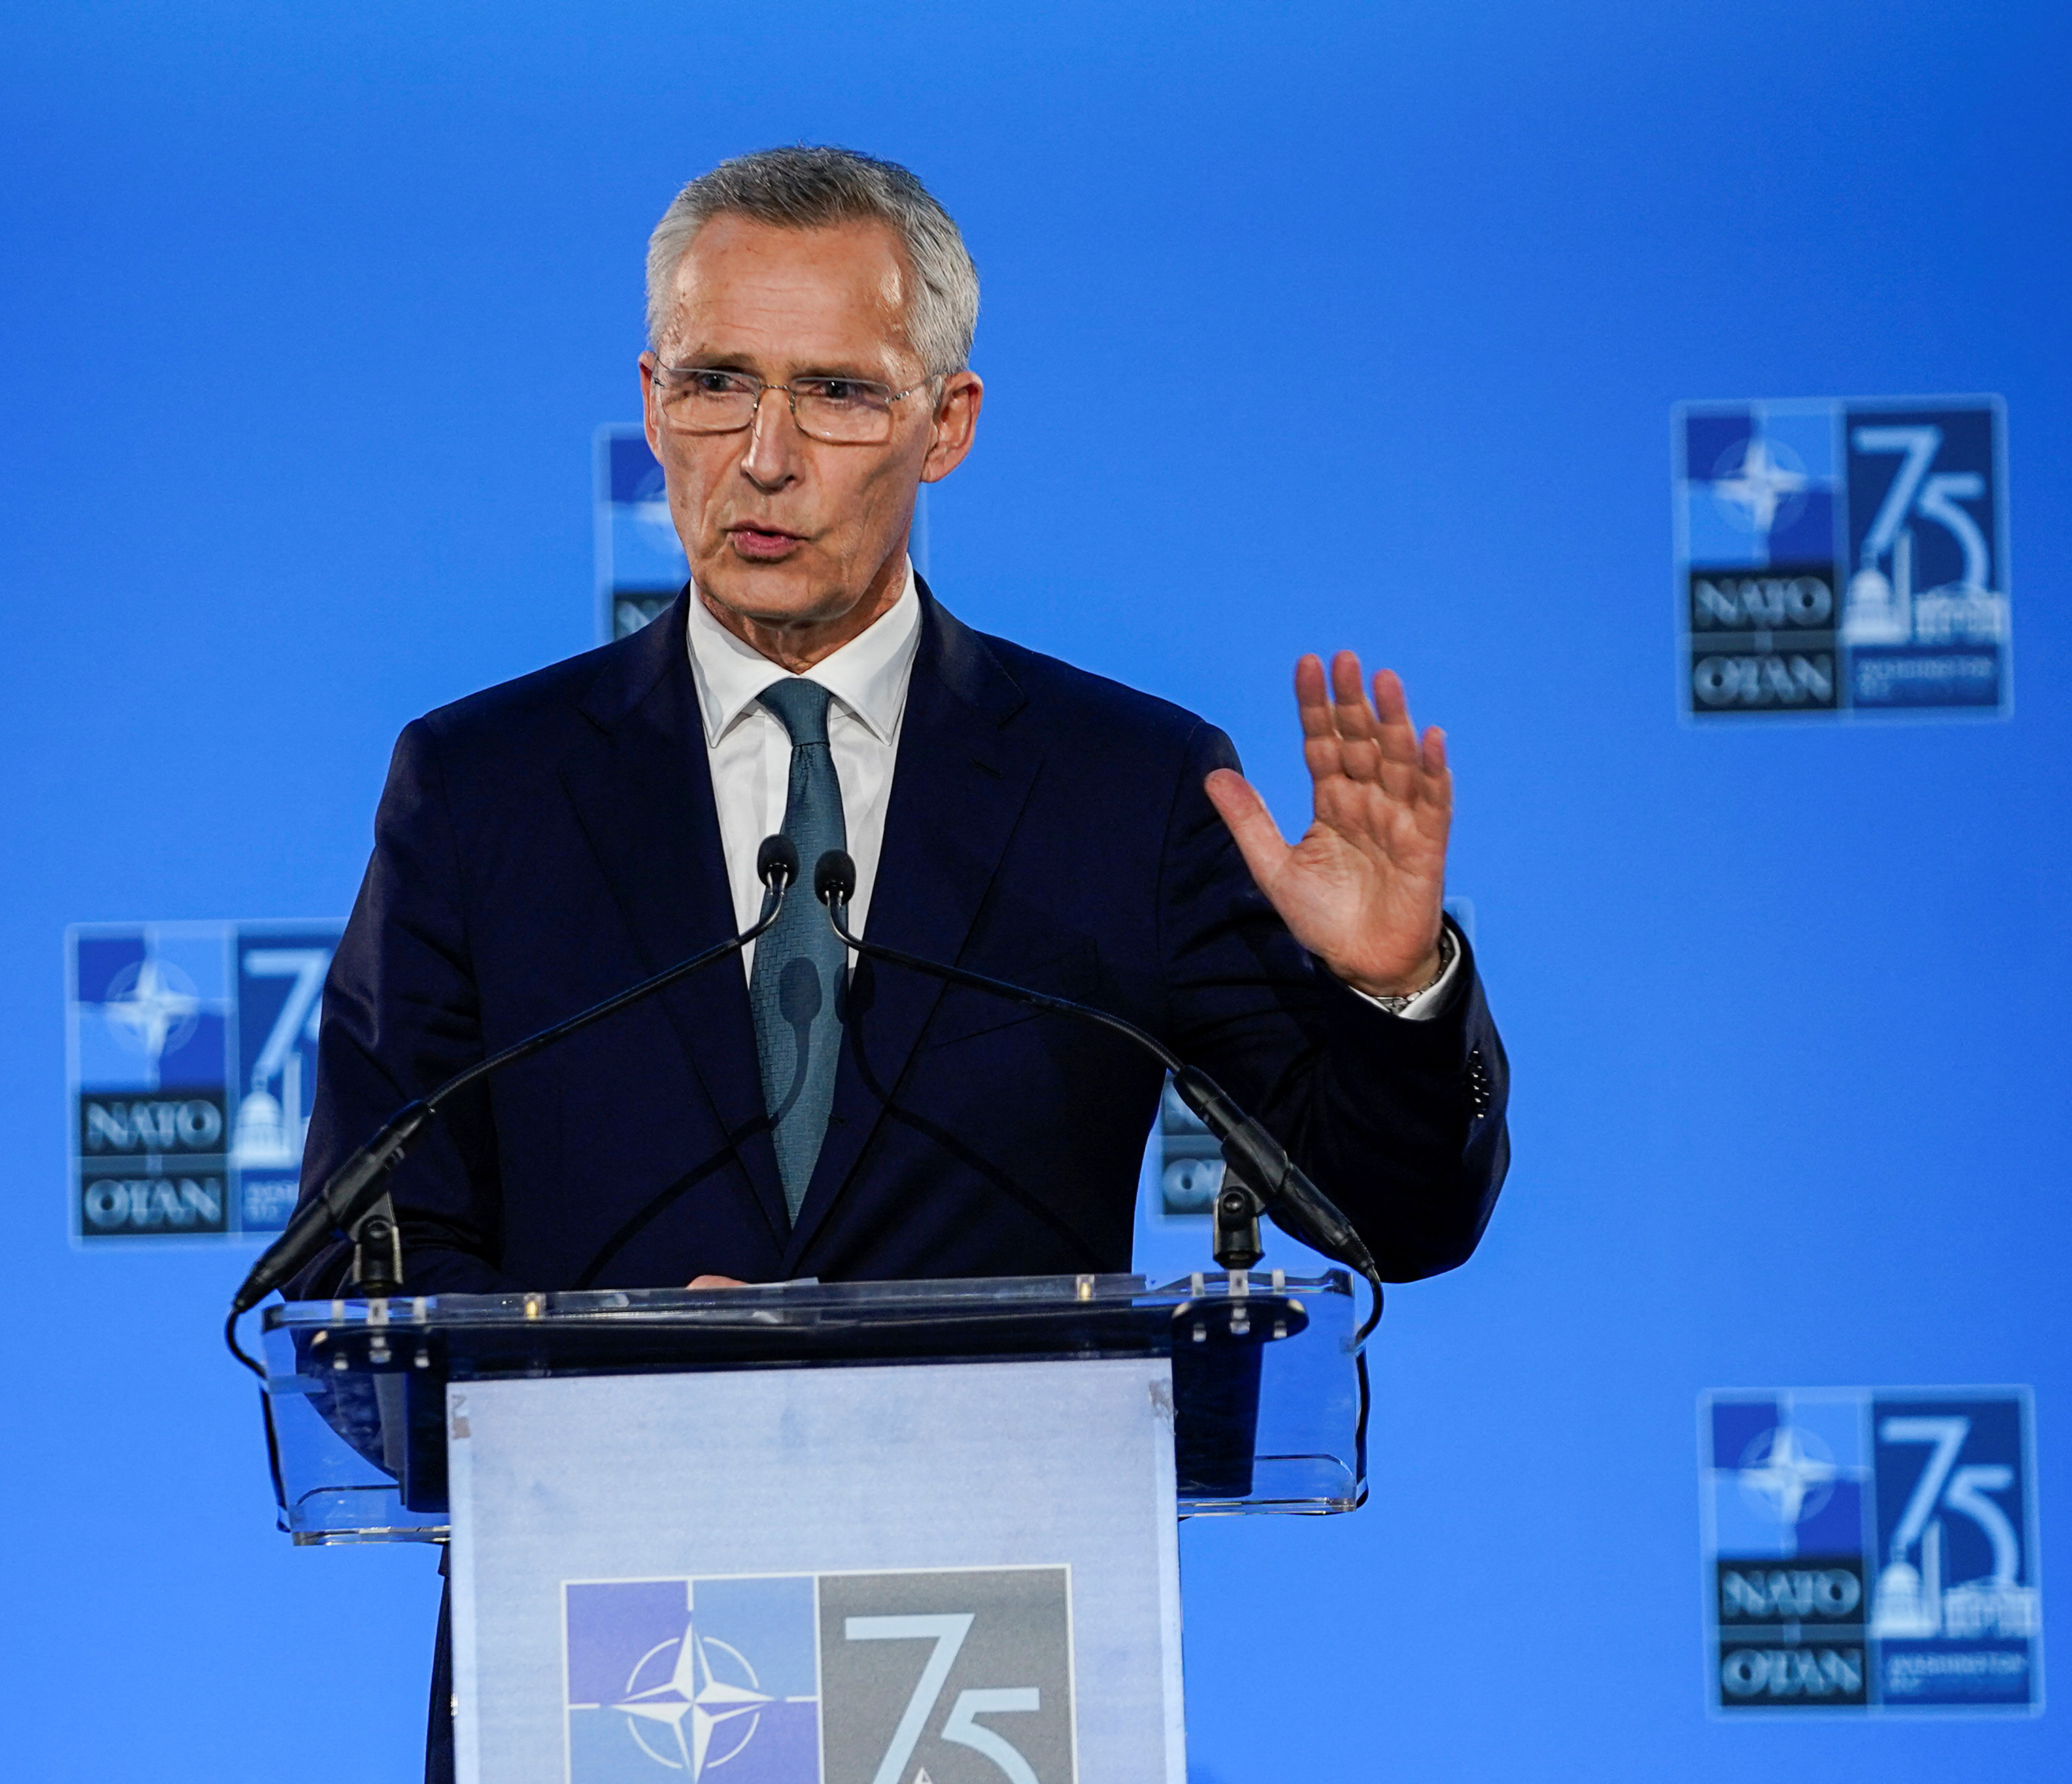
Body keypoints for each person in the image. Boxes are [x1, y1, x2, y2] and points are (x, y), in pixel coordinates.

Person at [290, 145, 1509, 1779]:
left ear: (948, 423)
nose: (765, 456)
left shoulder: (1122, 790)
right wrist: (624, 1366)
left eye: (838, 395)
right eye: (718, 384)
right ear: (651, 400)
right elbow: (360, 1282)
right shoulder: (482, 790)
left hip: (994, 1676)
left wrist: (1392, 985)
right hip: (605, 1678)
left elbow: (1398, 1217)